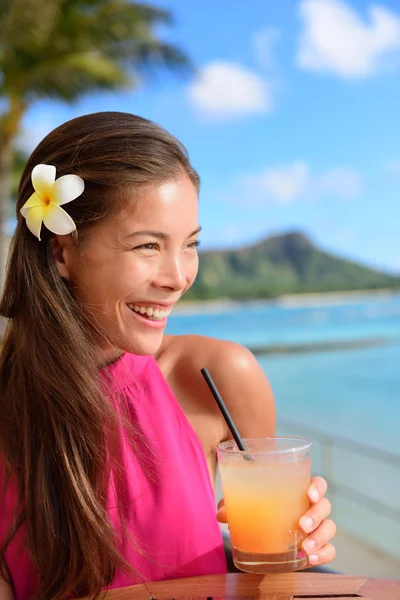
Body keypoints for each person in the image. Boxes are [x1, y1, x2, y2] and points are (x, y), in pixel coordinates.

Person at [0, 112, 336, 600]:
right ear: (62, 254)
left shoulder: (218, 378)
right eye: (148, 245)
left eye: (191, 244)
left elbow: (270, 576)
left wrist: (300, 542)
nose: (178, 276)